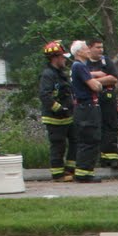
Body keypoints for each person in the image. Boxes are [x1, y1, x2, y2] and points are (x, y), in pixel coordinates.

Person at [37, 40, 75, 181]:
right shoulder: (48, 74)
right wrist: (59, 108)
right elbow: (44, 95)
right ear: (55, 58)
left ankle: (70, 170)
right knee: (58, 145)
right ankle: (58, 175)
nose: (64, 59)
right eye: (62, 56)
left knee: (75, 141)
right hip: (54, 117)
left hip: (67, 116)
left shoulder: (60, 73)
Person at [68, 40, 104, 183]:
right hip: (86, 108)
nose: (88, 50)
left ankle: (86, 172)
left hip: (84, 107)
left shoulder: (79, 67)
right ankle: (84, 173)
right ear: (78, 52)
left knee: (90, 139)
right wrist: (99, 84)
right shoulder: (79, 66)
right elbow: (95, 86)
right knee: (89, 138)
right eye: (85, 48)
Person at [85, 37, 118, 174]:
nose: (101, 50)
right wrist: (97, 78)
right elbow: (80, 78)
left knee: (111, 126)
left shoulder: (107, 61)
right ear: (89, 48)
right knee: (94, 129)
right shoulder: (85, 63)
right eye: (97, 47)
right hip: (92, 101)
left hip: (108, 99)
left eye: (102, 47)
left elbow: (113, 78)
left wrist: (92, 80)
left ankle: (112, 159)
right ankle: (97, 159)